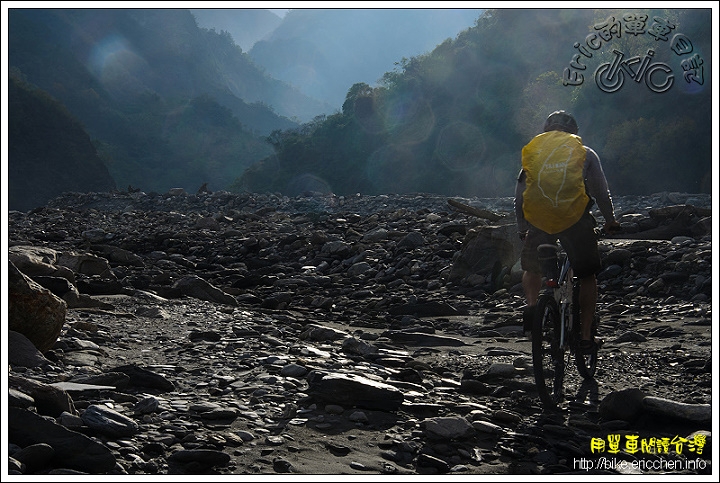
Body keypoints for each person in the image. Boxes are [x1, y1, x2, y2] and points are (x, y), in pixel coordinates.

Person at [515, 110, 621, 353]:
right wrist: (610, 221)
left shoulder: (534, 153)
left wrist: (523, 229)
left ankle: (532, 307)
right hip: (574, 220)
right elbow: (601, 193)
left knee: (531, 267)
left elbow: (519, 198)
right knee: (586, 276)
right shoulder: (584, 153)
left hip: (539, 220)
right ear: (574, 131)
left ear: (546, 130)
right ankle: (585, 337)